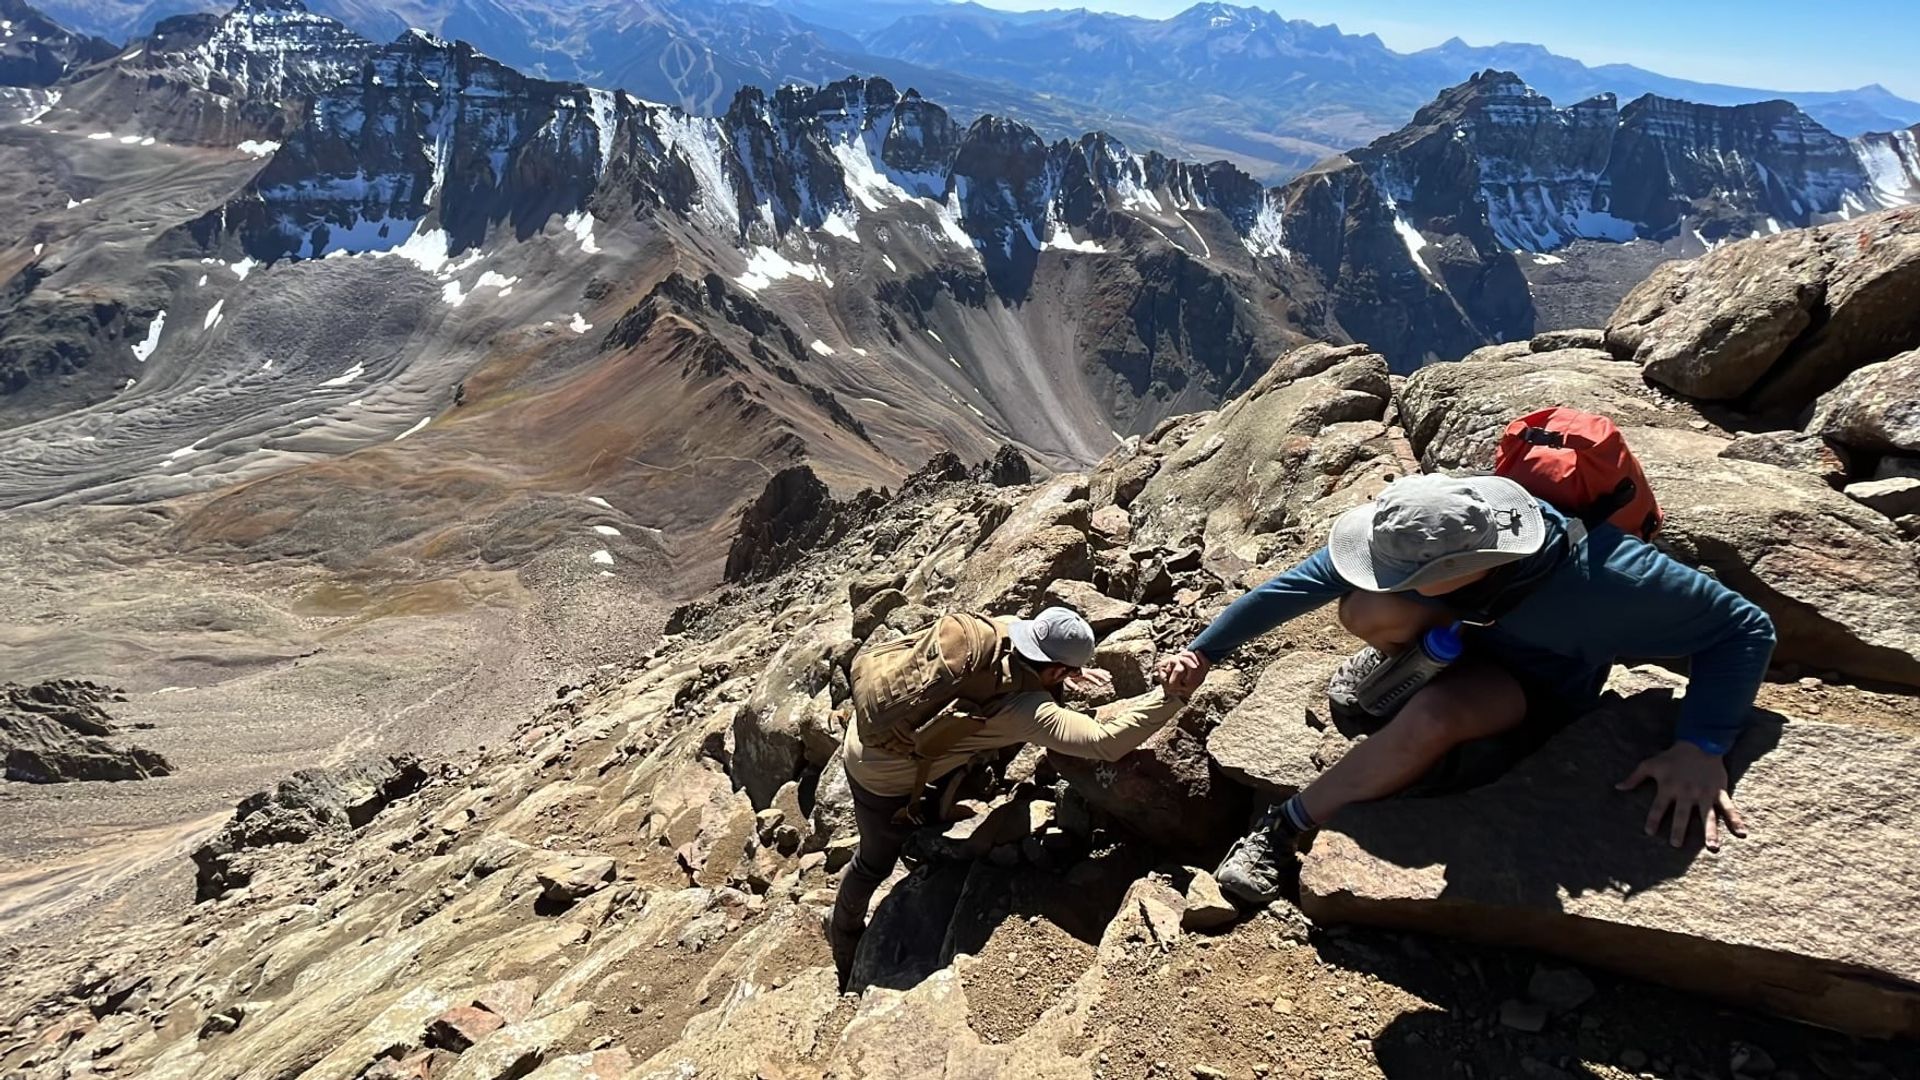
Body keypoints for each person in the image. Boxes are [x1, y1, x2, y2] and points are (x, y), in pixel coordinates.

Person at [1158, 473, 1777, 905]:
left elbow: (1745, 628)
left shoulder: (1609, 578)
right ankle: (1405, 669)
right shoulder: (1432, 520)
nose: (1378, 569)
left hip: (1534, 679)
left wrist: (1702, 744)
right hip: (1464, 628)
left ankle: (1282, 828)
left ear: (1454, 573)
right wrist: (1206, 648)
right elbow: (1296, 587)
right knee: (1365, 608)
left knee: (1431, 716)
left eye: (1398, 574)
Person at [829, 605, 1188, 983]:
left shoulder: (1004, 629)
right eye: (1063, 674)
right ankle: (845, 936)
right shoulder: (1023, 711)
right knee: (873, 862)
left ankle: (926, 832)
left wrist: (1064, 674)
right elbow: (1104, 743)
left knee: (941, 790)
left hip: (879, 731)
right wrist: (1172, 698)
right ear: (1053, 670)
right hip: (877, 776)